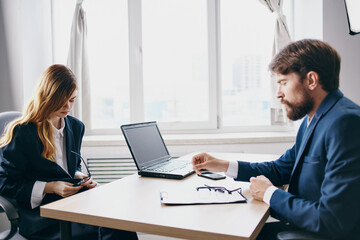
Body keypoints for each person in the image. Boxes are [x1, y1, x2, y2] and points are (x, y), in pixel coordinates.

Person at [192, 39, 360, 240]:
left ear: (311, 80)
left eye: (283, 83)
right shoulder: (313, 119)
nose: (278, 94)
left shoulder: (345, 123)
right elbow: (281, 169)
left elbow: (333, 220)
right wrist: (223, 165)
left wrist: (269, 193)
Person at [0, 64, 138, 240]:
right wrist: (49, 187)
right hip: (42, 216)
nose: (67, 106)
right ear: (47, 97)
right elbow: (4, 183)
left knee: (121, 223)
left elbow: (71, 165)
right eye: (62, 101)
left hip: (74, 204)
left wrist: (79, 176)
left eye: (72, 100)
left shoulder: (75, 126)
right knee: (104, 231)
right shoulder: (22, 132)